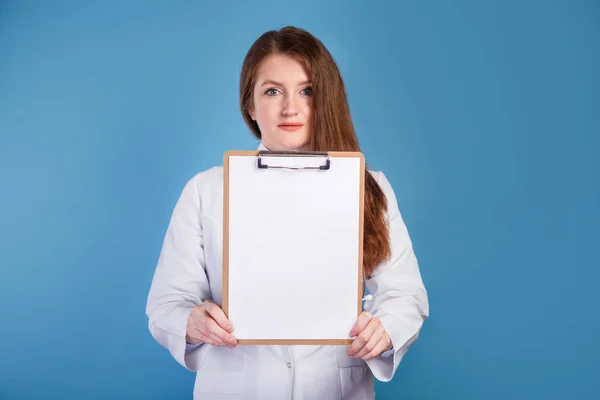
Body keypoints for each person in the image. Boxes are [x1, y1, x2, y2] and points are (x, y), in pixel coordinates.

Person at [146, 26, 429, 399]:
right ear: (250, 105)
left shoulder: (368, 186)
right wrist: (192, 322)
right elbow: (167, 303)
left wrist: (386, 329)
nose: (290, 107)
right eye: (272, 91)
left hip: (335, 389)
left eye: (307, 91)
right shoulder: (206, 191)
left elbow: (405, 294)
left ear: (325, 98)